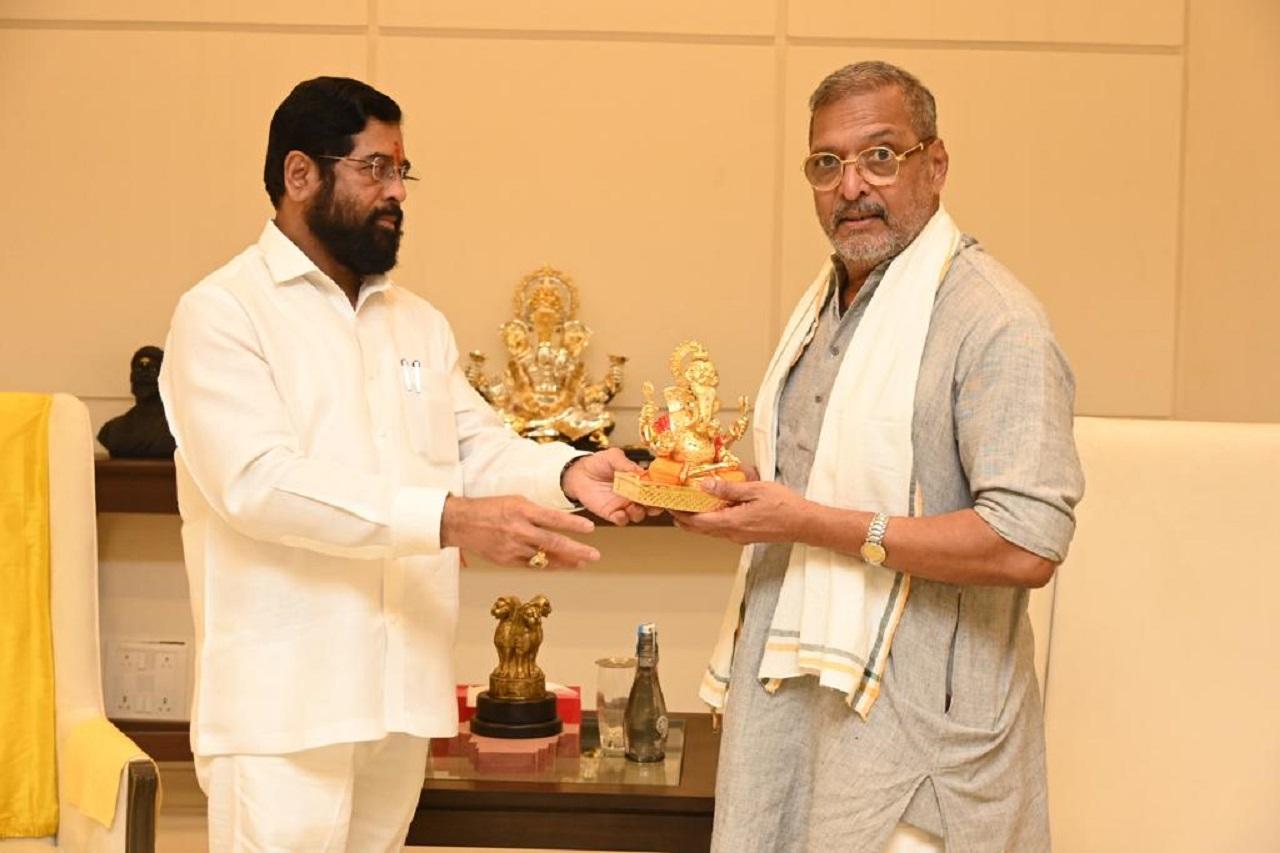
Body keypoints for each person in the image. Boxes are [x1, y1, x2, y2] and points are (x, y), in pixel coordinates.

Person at [158, 76, 647, 852]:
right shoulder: (222, 313)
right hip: (285, 709)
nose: (398, 193)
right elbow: (260, 484)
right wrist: (449, 519)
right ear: (299, 175)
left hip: (399, 696)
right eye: (375, 169)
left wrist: (566, 474)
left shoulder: (416, 321)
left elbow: (473, 445)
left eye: (402, 172)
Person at [676, 61, 1085, 852]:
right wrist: (749, 499)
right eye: (827, 163)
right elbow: (814, 491)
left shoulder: (995, 322)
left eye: (881, 156)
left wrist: (811, 521)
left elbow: (1027, 544)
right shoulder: (830, 299)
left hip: (923, 748)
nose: (851, 184)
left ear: (935, 163)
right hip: (799, 719)